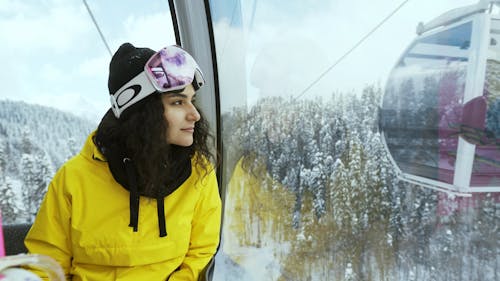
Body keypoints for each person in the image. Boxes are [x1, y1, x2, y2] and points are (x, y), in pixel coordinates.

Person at [24, 43, 222, 281]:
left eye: (192, 100)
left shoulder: (198, 173)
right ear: (142, 111)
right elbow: (46, 265)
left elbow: (203, 251)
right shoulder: (74, 179)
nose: (195, 114)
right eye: (177, 102)